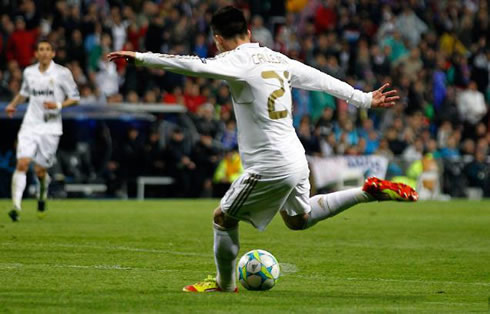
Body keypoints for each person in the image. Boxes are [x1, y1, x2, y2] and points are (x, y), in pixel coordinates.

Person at [108, 6, 418, 293]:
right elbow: (320, 80)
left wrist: (141, 57)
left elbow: (191, 66)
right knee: (299, 219)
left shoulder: (234, 61)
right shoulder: (277, 59)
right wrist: (363, 99)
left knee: (222, 218)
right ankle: (366, 191)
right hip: (296, 157)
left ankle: (224, 284)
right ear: (249, 32)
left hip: (270, 164)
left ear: (218, 39)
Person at [5, 39, 80, 222]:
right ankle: (16, 206)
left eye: (48, 49)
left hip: (51, 128)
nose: (44, 52)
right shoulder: (29, 72)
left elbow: (75, 98)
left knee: (40, 171)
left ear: (53, 53)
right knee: (22, 163)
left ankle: (42, 196)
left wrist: (59, 104)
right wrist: (13, 105)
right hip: (30, 124)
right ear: (36, 53)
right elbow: (24, 93)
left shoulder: (62, 73)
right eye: (41, 49)